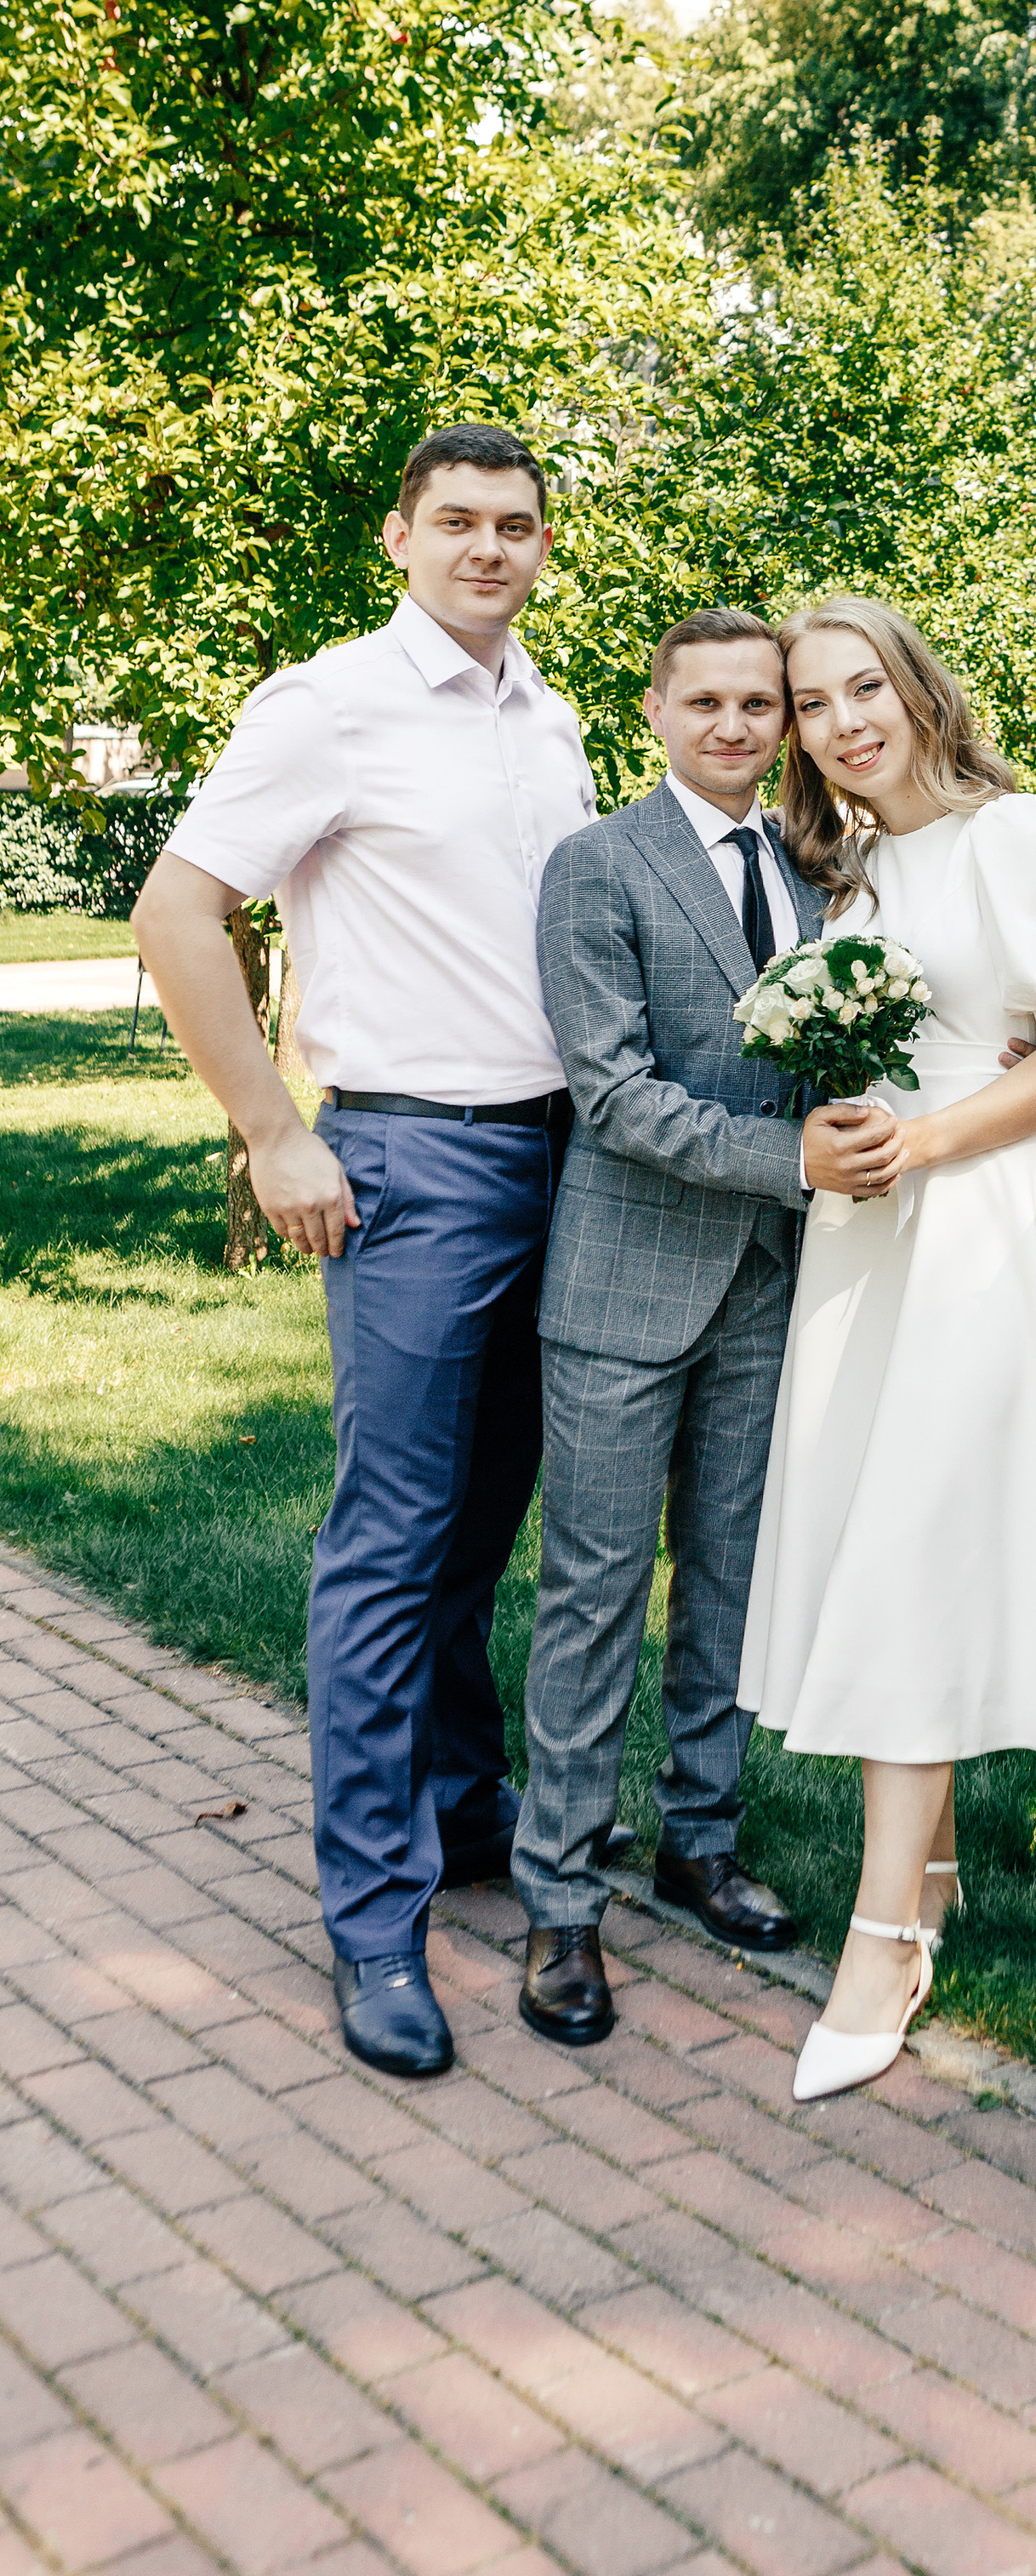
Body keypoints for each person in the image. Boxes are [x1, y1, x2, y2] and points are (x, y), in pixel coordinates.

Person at [132, 426, 598, 2080]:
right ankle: (374, 1919)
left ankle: (466, 1815)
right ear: (399, 536)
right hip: (409, 1158)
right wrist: (273, 1129)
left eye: (517, 525)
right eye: (457, 522)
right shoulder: (327, 705)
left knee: (486, 1515)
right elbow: (180, 912)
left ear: (545, 547)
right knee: (391, 1539)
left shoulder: (551, 718)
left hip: (567, 1157)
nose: (488, 547)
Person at [737, 596, 1036, 2102]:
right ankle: (942, 1867)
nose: (843, 723)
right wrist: (839, 1131)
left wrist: (922, 1141)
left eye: (863, 690)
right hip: (867, 1236)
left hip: (973, 1228)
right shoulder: (848, 874)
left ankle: (882, 1936)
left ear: (915, 689)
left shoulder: (1014, 838)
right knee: (870, 1536)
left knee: (909, 1550)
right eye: (812, 703)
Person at [512, 609, 898, 2047]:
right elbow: (607, 1092)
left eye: (760, 706)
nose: (737, 727)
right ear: (657, 709)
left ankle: (703, 1839)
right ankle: (562, 1895)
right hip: (623, 1286)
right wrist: (787, 1158)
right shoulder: (596, 868)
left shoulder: (823, 874)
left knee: (731, 1575)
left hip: (768, 1283)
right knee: (596, 1591)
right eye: (710, 703)